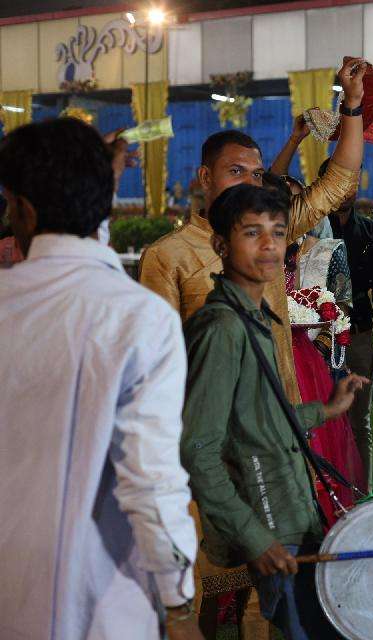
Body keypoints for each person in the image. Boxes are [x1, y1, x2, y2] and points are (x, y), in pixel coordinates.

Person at [139, 56, 366, 638]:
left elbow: (339, 183)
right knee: (211, 587)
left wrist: (353, 106)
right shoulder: (169, 257)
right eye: (234, 171)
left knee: (278, 595)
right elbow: (159, 370)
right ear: (205, 177)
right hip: (213, 452)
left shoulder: (266, 233)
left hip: (276, 437)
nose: (247, 182)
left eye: (256, 172)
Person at [0, 117, 201, 640]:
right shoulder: (139, 318)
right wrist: (179, 602)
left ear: (22, 209)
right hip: (100, 603)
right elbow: (151, 481)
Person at [180, 184, 367, 640]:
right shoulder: (222, 327)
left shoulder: (254, 315)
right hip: (267, 521)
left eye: (278, 232)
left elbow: (254, 423)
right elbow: (198, 449)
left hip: (290, 511)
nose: (269, 245)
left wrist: (325, 410)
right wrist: (255, 538)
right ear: (221, 244)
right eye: (252, 232)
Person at [284, 214, 366, 519]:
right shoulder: (265, 251)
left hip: (313, 360)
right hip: (274, 354)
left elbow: (341, 307)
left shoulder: (327, 250)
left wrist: (319, 349)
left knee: (318, 437)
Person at [325, 158, 373, 489]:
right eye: (339, 182)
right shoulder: (311, 230)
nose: (346, 190)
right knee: (323, 418)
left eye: (351, 183)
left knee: (359, 421)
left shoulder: (371, 232)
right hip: (317, 336)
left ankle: (361, 496)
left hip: (359, 334)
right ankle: (328, 495)